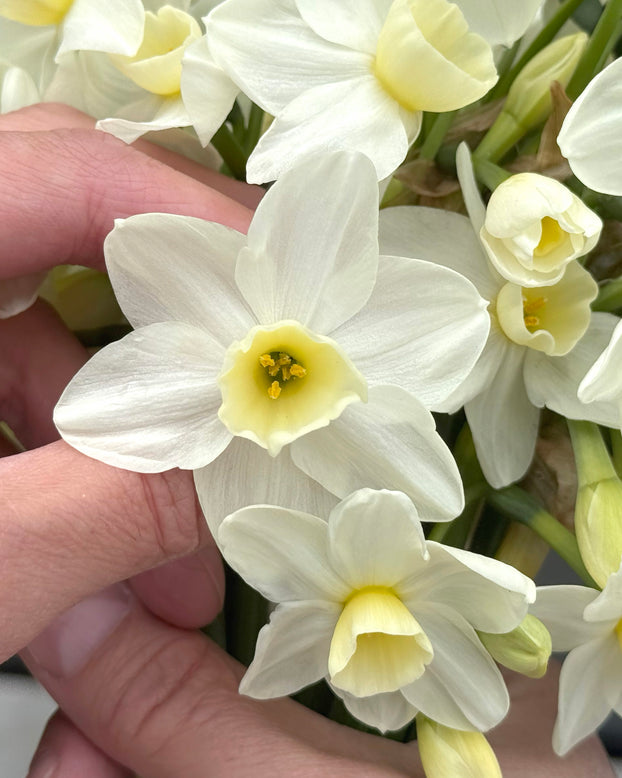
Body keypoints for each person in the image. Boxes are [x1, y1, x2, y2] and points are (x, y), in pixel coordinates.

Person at [0, 103, 614, 778]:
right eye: (278, 366)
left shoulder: (376, 403)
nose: (281, 369)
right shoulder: (182, 281)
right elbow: (125, 314)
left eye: (285, 367)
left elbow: (443, 347)